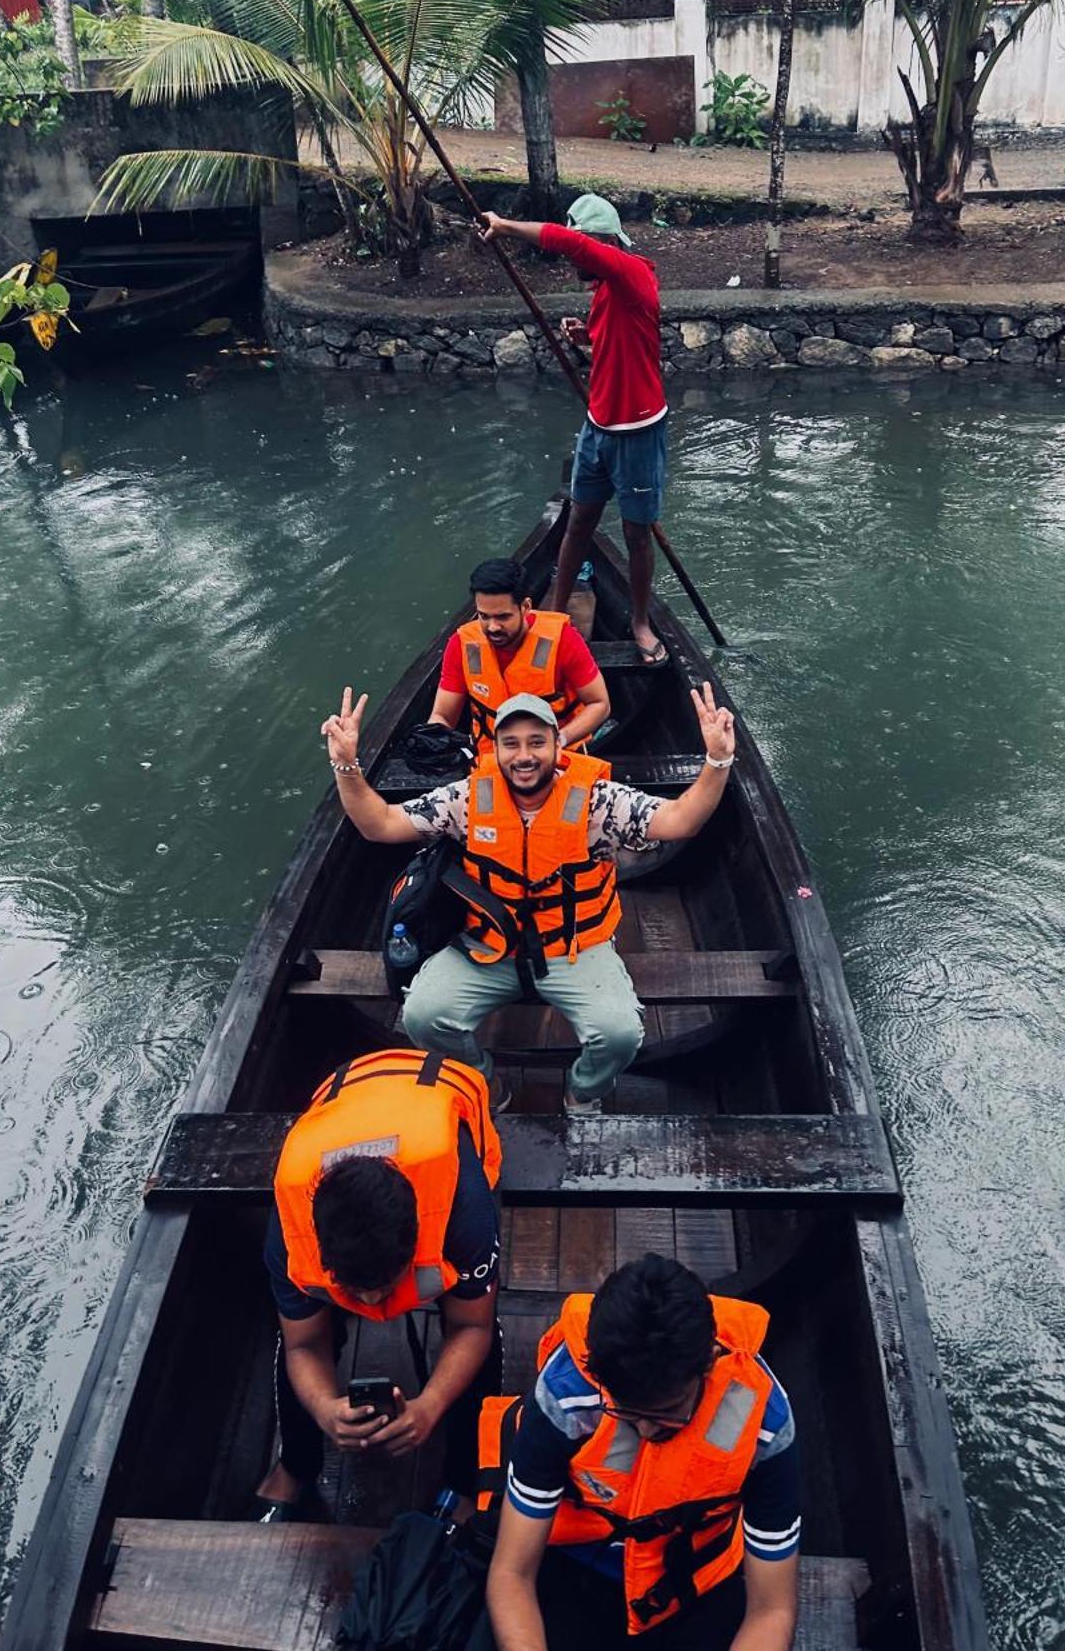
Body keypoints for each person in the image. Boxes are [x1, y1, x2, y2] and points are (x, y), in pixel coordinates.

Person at [319, 681, 737, 1114]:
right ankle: (484, 1084)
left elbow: (679, 820)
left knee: (619, 1034)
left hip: (574, 946)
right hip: (488, 945)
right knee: (422, 1016)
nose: (524, 756)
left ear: (559, 745)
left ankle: (583, 1091)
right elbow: (381, 825)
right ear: (495, 749)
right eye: (511, 743)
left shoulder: (598, 800)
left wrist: (718, 760)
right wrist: (347, 767)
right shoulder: (466, 798)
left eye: (537, 742)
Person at [480, 1255, 801, 1651]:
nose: (647, 1431)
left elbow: (771, 1611)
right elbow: (512, 1573)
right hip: (576, 1567)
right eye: (628, 1414)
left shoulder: (765, 1423)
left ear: (707, 1366)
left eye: (667, 1413)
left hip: (693, 1583)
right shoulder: (565, 1395)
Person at [257, 1046, 503, 1520]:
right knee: (291, 1332)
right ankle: (296, 1463)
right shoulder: (289, 1234)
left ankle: (467, 1480)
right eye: (353, 1290)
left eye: (384, 1285)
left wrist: (430, 1404)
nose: (371, 1303)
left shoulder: (462, 1211)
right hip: (348, 1093)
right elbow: (303, 1344)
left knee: (487, 1338)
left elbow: (471, 1326)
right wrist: (325, 1408)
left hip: (440, 1087)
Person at [480, 195, 668, 664]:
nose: (572, 265)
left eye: (580, 252)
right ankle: (556, 611)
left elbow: (567, 242)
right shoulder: (606, 291)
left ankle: (640, 622)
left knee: (636, 532)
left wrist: (504, 225)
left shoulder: (632, 274)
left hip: (639, 431)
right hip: (597, 428)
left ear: (602, 242)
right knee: (579, 519)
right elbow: (616, 345)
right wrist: (586, 338)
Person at [430, 555, 610, 754]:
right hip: (490, 760)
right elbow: (443, 716)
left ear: (525, 607)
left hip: (557, 757)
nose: (492, 627)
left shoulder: (563, 640)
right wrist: (434, 739)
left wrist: (559, 740)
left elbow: (599, 704)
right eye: (484, 616)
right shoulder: (461, 644)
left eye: (503, 616)